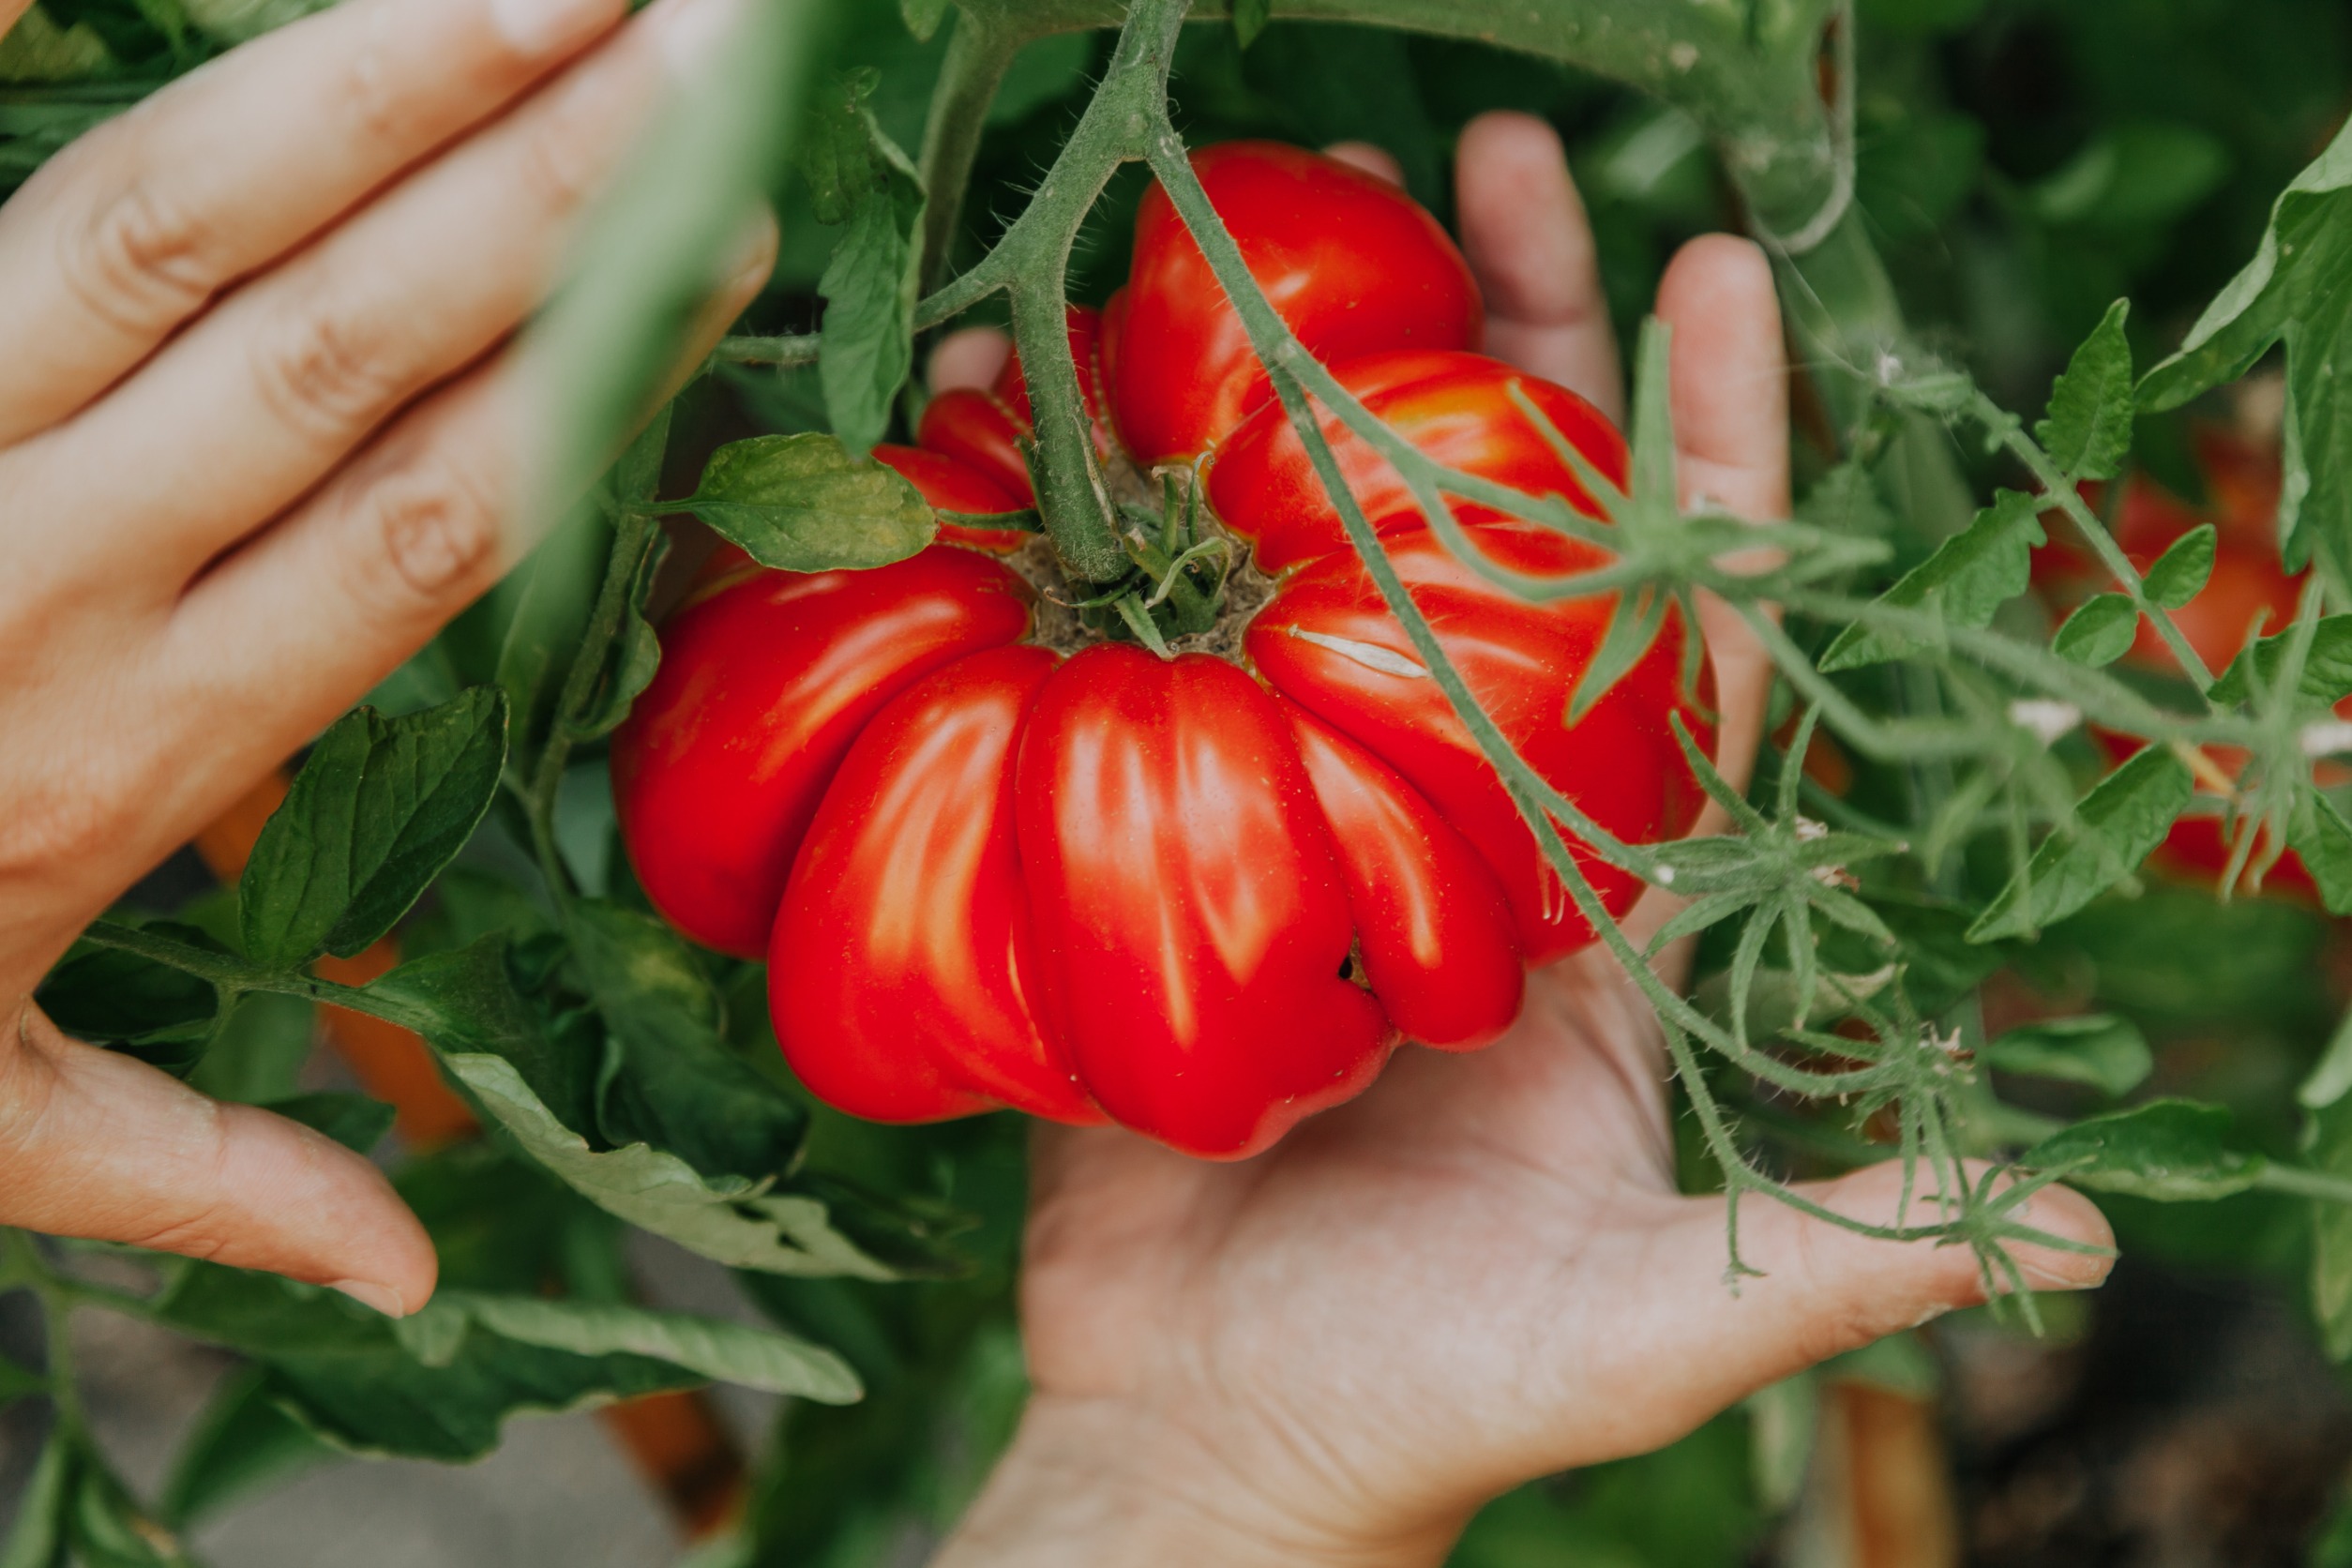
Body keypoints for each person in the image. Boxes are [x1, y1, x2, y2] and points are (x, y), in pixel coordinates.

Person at [0, 0, 2112, 1554]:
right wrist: (1202, 1484)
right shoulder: (1218, 527)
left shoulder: (915, 580)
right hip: (1275, 555)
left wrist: (1199, 1483)